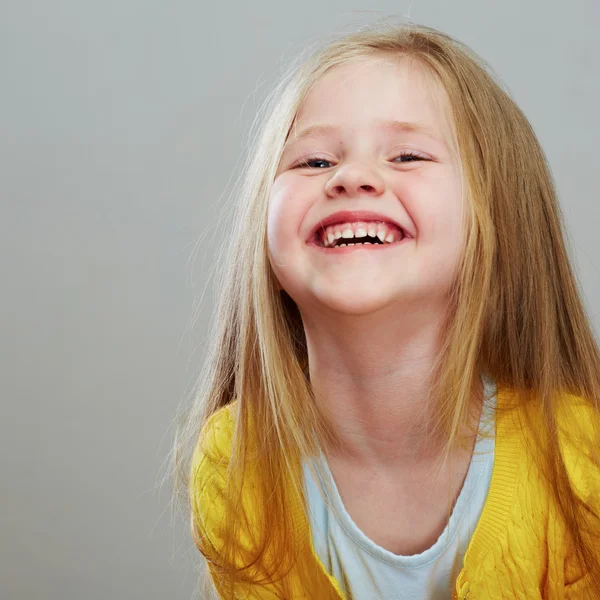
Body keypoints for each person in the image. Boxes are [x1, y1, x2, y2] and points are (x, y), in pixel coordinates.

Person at [175, 21, 600, 599]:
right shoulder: (236, 463)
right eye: (315, 162)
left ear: (496, 214)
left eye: (406, 154)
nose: (352, 178)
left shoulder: (581, 458)